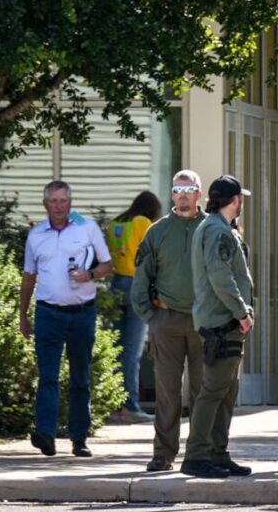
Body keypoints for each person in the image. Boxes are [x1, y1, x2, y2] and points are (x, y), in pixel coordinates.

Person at [19, 180, 113, 458]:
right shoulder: (36, 236)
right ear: (45, 204)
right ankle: (46, 434)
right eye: (54, 201)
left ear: (70, 203)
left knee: (80, 377)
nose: (59, 206)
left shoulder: (88, 228)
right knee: (48, 375)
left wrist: (92, 275)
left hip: (82, 312)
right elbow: (28, 276)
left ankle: (79, 438)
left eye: (63, 201)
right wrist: (23, 315)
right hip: (48, 312)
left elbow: (108, 264)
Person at [131, 170, 207, 471]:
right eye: (177, 190)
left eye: (189, 190)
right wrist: (152, 317)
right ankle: (163, 454)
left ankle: (201, 453)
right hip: (166, 320)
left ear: (199, 194)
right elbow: (142, 277)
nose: (183, 195)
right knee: (167, 391)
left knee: (204, 391)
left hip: (205, 322)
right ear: (171, 195)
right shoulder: (157, 231)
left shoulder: (213, 228)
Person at [180, 175, 255, 479]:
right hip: (223, 321)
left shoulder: (217, 228)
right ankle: (197, 455)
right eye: (241, 199)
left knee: (225, 391)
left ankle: (217, 453)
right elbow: (221, 277)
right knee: (213, 391)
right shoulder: (217, 231)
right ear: (235, 201)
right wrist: (242, 312)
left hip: (224, 321)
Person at [106, 190, 163, 423]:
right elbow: (151, 256)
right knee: (132, 350)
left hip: (116, 284)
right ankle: (130, 405)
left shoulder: (116, 223)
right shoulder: (143, 223)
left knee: (118, 348)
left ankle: (114, 402)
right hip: (136, 286)